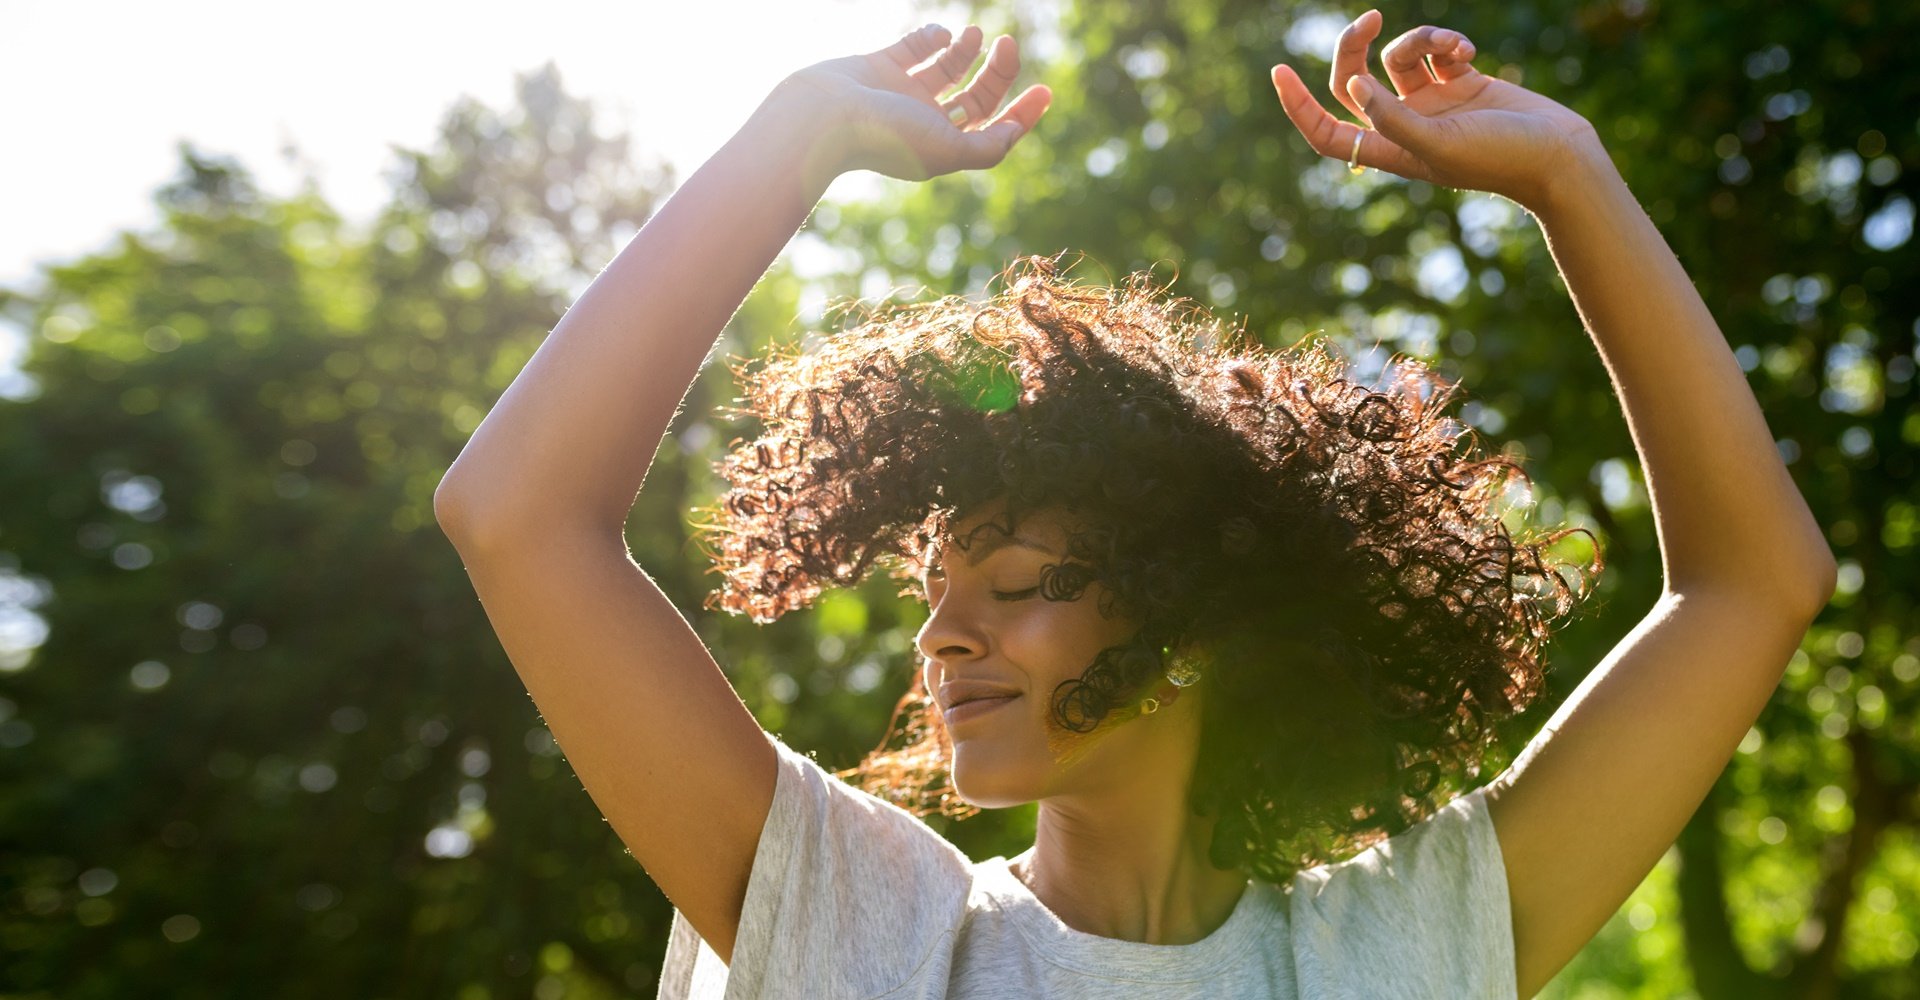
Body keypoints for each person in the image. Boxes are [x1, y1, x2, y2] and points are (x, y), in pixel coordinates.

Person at [431, 9, 1836, 998]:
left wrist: (1570, 178)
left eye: (1012, 583)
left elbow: (1756, 585)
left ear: (1200, 614)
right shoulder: (861, 921)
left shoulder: (1397, 951)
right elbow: (515, 515)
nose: (939, 637)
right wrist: (794, 137)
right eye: (935, 590)